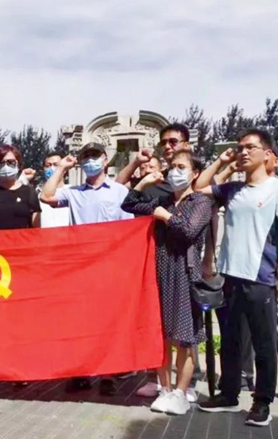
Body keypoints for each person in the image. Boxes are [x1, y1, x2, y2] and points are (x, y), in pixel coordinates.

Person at [194, 129, 278, 427]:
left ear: (267, 154)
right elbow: (198, 187)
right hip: (230, 276)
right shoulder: (233, 190)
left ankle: (262, 403)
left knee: (263, 344)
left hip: (261, 277)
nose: (243, 152)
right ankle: (228, 395)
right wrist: (222, 161)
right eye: (239, 148)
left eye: (250, 147)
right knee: (230, 340)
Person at [122, 150, 211, 415]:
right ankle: (165, 388)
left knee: (184, 338)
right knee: (160, 335)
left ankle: (181, 392)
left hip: (185, 273)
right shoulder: (163, 200)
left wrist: (166, 217)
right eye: (172, 166)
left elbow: (189, 231)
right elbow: (129, 204)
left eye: (181, 167)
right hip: (159, 272)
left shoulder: (200, 202)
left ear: (195, 174)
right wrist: (144, 182)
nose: (175, 171)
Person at [40, 142, 132, 395]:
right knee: (81, 322)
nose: (90, 161)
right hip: (80, 266)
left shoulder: (119, 192)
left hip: (110, 266)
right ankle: (81, 372)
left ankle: (109, 374)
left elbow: (128, 229)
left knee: (109, 322)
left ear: (105, 160)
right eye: (86, 157)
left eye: (95, 156)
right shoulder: (72, 192)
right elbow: (46, 196)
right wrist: (62, 167)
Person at [37, 152, 70, 228]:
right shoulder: (39, 195)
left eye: (56, 165)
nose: (52, 168)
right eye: (48, 166)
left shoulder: (71, 192)